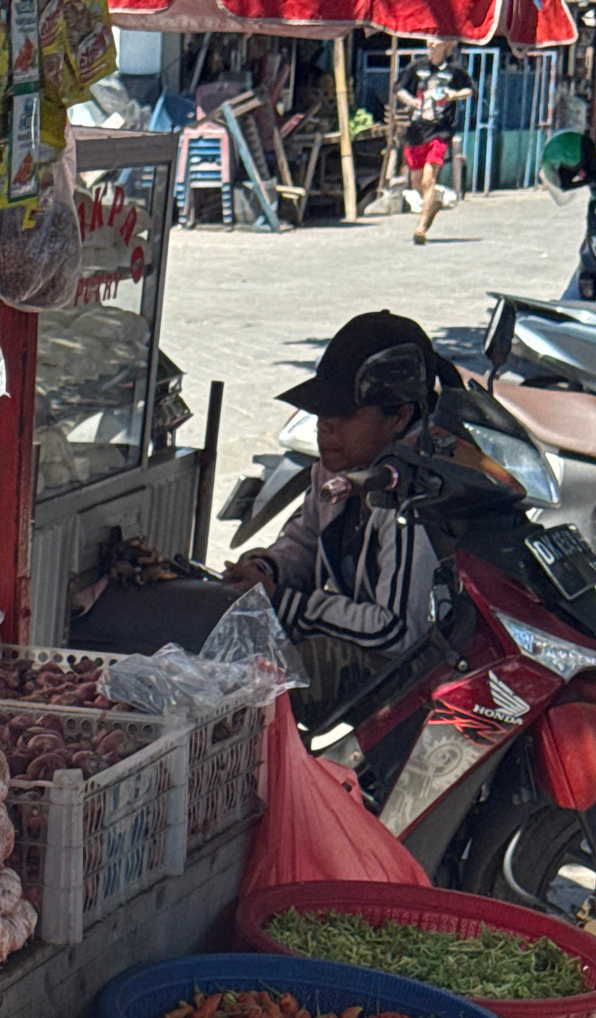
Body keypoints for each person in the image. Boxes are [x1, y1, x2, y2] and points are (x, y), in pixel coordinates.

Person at [223, 311, 448, 712]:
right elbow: (305, 540)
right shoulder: (338, 468)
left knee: (264, 681)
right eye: (323, 411)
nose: (324, 426)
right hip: (373, 639)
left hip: (416, 666)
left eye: (344, 415)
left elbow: (396, 630)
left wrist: (284, 603)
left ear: (399, 416)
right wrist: (263, 571)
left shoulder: (412, 490)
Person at [396, 37, 474, 247]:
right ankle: (434, 202)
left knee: (428, 179)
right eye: (428, 41)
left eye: (435, 40)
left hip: (440, 131)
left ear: (446, 44)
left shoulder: (455, 70)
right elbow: (399, 88)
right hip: (416, 131)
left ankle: (421, 228)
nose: (430, 44)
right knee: (416, 182)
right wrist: (411, 101)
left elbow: (469, 90)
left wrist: (454, 95)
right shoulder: (417, 67)